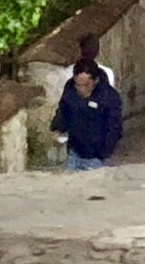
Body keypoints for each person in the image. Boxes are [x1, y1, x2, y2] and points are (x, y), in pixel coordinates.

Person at [51, 33, 126, 171]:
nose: (81, 89)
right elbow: (64, 110)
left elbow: (114, 126)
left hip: (96, 157)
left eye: (86, 85)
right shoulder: (70, 89)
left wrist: (103, 151)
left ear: (95, 81)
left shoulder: (108, 96)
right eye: (78, 85)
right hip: (74, 153)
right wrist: (58, 127)